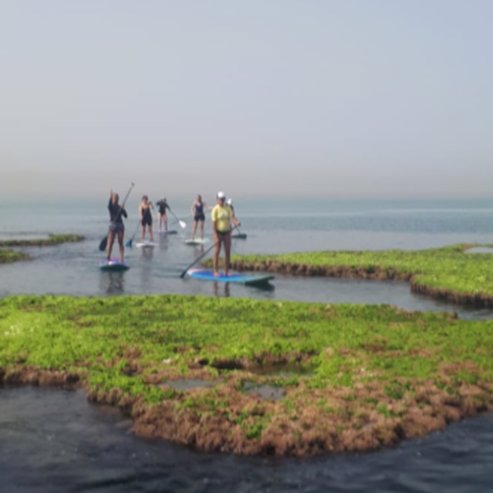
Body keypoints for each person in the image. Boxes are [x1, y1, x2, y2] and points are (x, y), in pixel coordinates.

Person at [211, 191, 240, 276]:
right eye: (220, 199)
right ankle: (215, 271)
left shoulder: (228, 208)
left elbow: (232, 218)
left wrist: (236, 222)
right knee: (217, 251)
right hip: (218, 232)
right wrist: (216, 234)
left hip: (227, 232)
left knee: (227, 251)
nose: (222, 201)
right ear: (217, 200)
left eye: (223, 199)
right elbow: (213, 224)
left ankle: (226, 271)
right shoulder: (215, 209)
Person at [107, 190, 127, 263]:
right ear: (112, 199)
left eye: (116, 198)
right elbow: (109, 205)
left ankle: (122, 259)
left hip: (119, 225)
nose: (115, 199)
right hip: (113, 225)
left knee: (120, 242)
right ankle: (108, 258)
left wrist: (123, 208)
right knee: (110, 242)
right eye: (114, 198)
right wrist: (110, 197)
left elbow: (125, 216)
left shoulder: (119, 207)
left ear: (118, 199)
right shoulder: (111, 206)